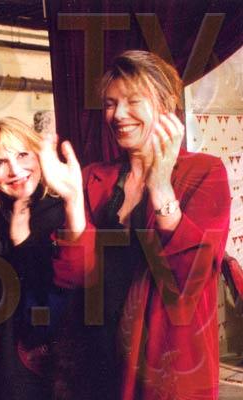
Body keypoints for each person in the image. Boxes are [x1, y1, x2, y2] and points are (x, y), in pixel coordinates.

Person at [83, 50, 230, 399]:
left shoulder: (205, 172)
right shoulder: (94, 177)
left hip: (167, 361)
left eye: (133, 101)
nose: (119, 114)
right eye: (110, 104)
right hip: (100, 353)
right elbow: (78, 270)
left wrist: (161, 186)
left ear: (165, 105)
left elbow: (191, 276)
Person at [0, 116, 94, 399]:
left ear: (40, 156)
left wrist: (23, 245)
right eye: (0, 162)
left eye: (22, 155)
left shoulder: (64, 216)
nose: (15, 170)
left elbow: (50, 317)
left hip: (51, 383)